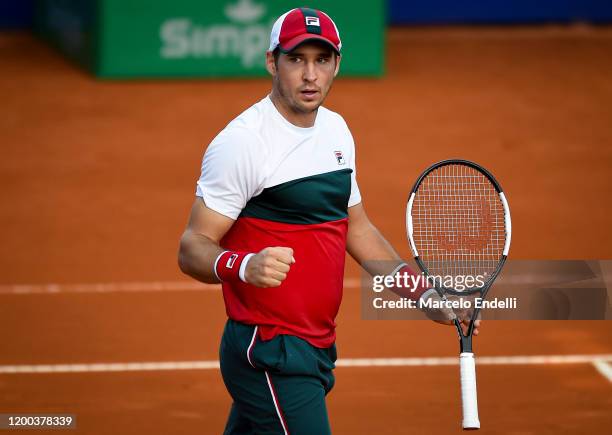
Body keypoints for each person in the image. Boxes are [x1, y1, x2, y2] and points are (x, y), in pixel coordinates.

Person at [178, 7, 479, 434]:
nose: (310, 75)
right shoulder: (243, 143)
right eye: (296, 59)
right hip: (268, 349)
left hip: (315, 343)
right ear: (272, 61)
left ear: (337, 65)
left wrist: (426, 296)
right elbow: (192, 247)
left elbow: (357, 229)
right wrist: (244, 265)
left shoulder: (336, 131)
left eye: (322, 60)